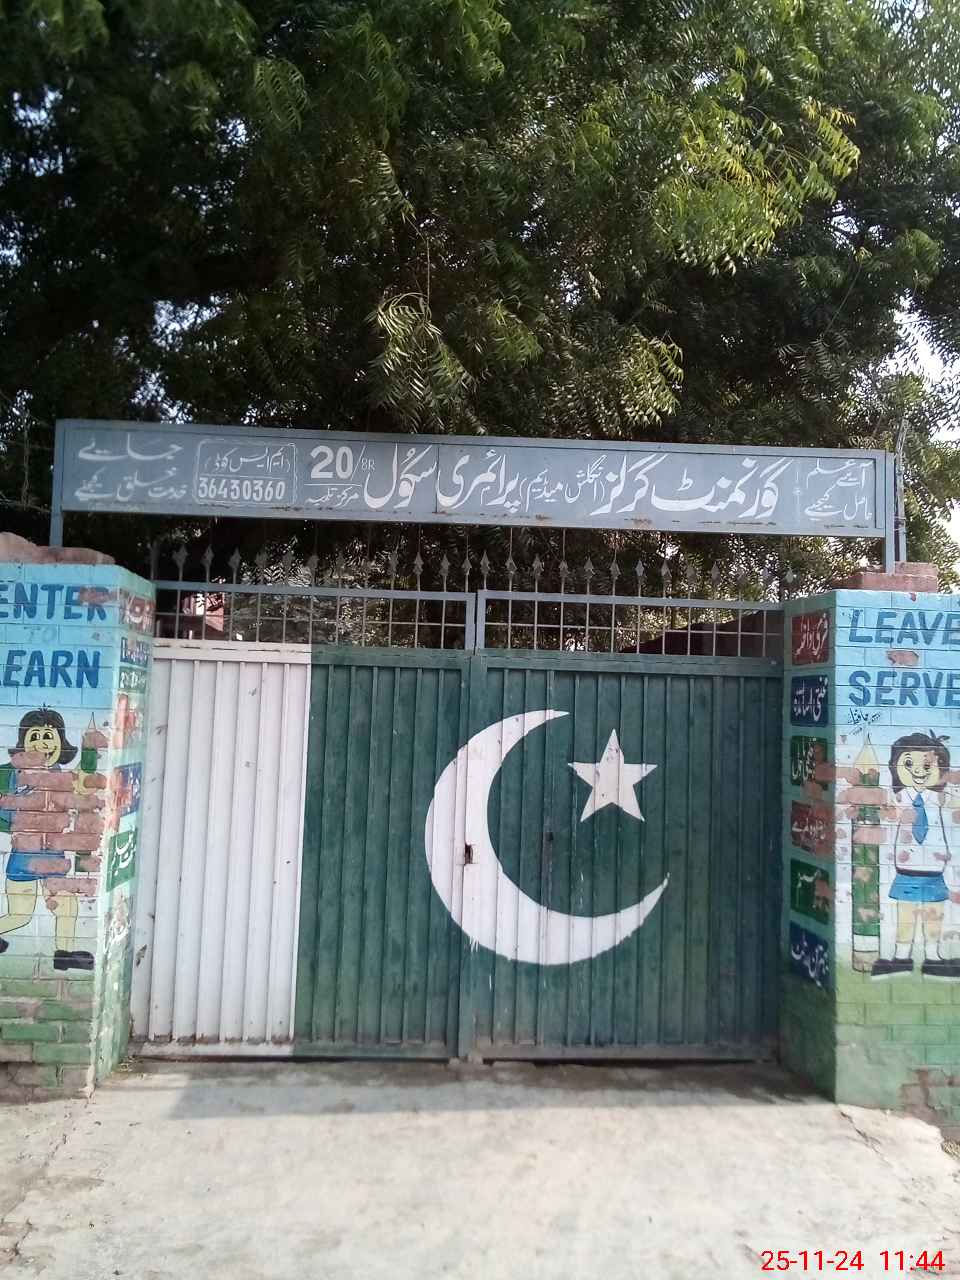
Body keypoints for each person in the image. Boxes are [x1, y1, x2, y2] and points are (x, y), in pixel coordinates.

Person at [0, 707, 97, 970]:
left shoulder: (60, 775)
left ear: (60, 744)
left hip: (54, 857)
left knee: (67, 907)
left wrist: (90, 750)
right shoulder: (18, 777)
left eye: (48, 737)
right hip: (24, 860)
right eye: (34, 737)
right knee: (20, 915)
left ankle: (63, 955)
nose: (42, 743)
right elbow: (9, 813)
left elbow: (81, 783)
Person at [872, 731, 960, 979]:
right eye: (909, 763)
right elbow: (885, 813)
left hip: (934, 868)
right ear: (896, 767)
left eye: (928, 765)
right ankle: (902, 957)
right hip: (906, 869)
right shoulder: (900, 797)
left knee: (934, 914)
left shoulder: (940, 798)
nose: (919, 771)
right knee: (906, 915)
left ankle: (933, 957)